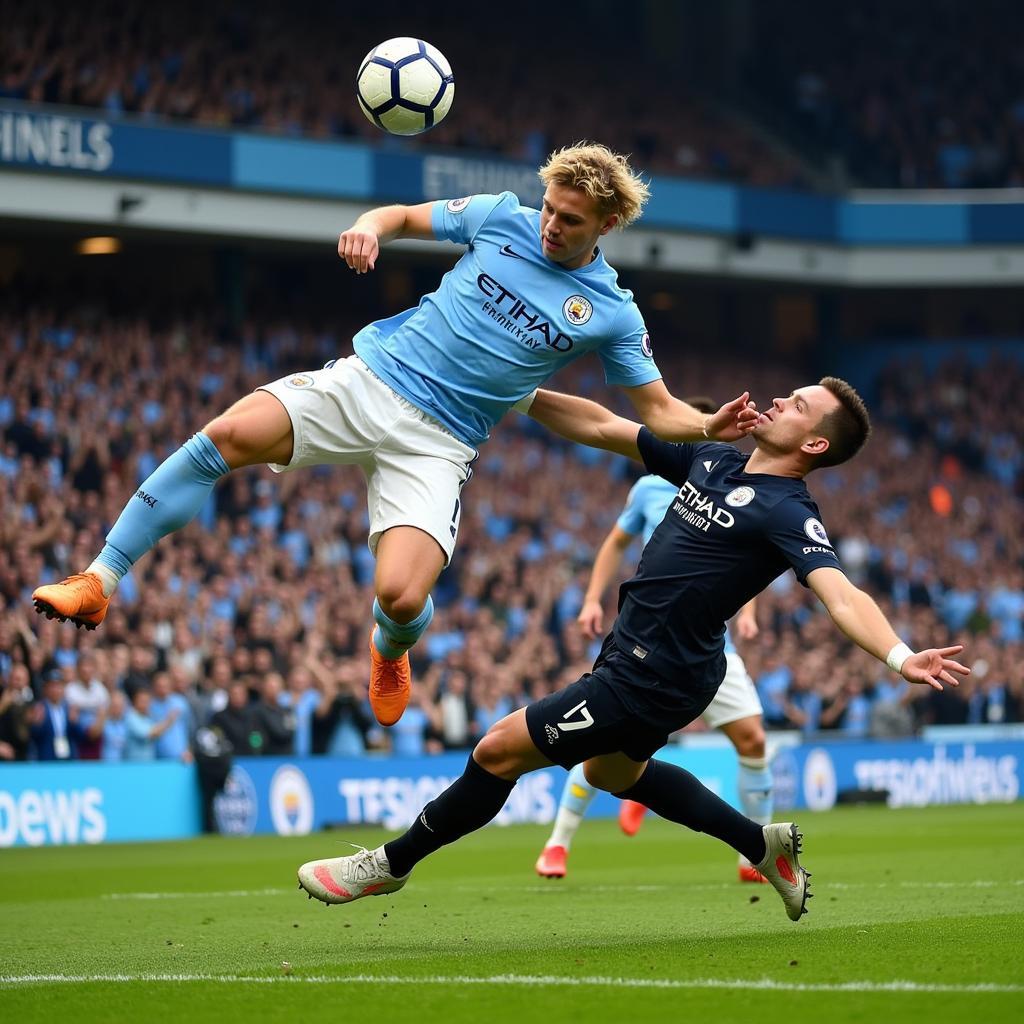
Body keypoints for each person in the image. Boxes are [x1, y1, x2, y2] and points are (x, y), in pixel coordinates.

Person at [32, 142, 755, 728]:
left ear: (604, 226)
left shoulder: (609, 311)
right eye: (550, 208)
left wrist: (707, 424)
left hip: (439, 443)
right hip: (371, 379)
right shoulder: (500, 216)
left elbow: (656, 410)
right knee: (225, 434)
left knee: (404, 597)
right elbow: (405, 216)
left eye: (570, 219)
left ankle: (390, 645)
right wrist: (369, 229)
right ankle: (99, 578)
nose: (551, 224)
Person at [297, 377, 969, 923]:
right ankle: (760, 845)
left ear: (815, 441)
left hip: (656, 674)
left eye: (798, 406)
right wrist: (516, 390)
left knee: (497, 750)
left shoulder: (789, 511)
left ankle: (390, 864)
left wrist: (898, 656)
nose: (779, 400)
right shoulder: (716, 456)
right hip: (653, 657)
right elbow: (602, 427)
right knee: (617, 776)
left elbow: (842, 594)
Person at [535, 401, 773, 883]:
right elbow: (615, 544)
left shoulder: (738, 491)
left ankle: (759, 851)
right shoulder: (649, 487)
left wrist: (748, 613)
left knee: (752, 739)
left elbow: (742, 568)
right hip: (645, 642)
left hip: (708, 650)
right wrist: (591, 599)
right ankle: (557, 844)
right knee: (599, 742)